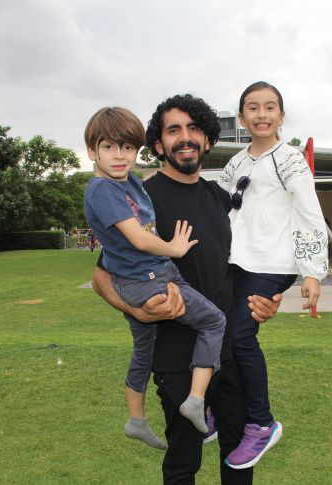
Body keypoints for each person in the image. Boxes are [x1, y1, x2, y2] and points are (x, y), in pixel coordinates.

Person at [91, 93, 283, 484]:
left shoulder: (222, 200)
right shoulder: (141, 199)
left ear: (208, 140)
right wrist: (137, 311)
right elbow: (102, 278)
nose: (185, 137)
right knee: (183, 463)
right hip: (176, 355)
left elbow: (247, 265)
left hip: (228, 351)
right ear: (158, 144)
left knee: (238, 459)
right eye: (173, 130)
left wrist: (267, 299)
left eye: (194, 129)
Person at [83, 107, 226, 449]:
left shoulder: (130, 183)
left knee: (142, 353)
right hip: (150, 278)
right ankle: (196, 401)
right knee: (214, 322)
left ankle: (136, 420)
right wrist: (172, 248)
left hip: (142, 277)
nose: (119, 156)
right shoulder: (104, 190)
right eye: (108, 147)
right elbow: (134, 240)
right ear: (92, 152)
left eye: (128, 148)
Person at [217, 81, 329, 469]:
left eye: (269, 107)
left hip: (273, 264)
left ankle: (262, 424)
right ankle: (218, 407)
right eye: (252, 107)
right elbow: (221, 204)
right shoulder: (237, 162)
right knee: (217, 329)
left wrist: (311, 274)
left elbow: (310, 214)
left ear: (281, 115)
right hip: (237, 261)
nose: (261, 114)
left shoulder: (292, 159)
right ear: (242, 116)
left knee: (242, 336)